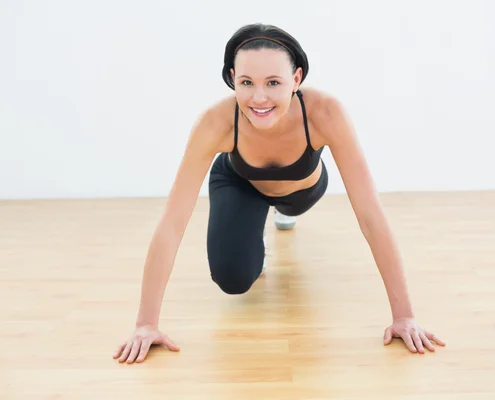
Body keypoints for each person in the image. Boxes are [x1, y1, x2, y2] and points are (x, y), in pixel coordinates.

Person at [113, 23, 445, 364]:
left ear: (296, 79)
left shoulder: (325, 113)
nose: (259, 98)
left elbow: (370, 215)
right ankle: (255, 234)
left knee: (293, 204)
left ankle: (283, 216)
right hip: (241, 183)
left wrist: (404, 315)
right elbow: (172, 223)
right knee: (233, 280)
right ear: (232, 78)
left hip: (302, 191)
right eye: (246, 83)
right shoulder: (216, 122)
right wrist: (146, 324)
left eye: (273, 82)